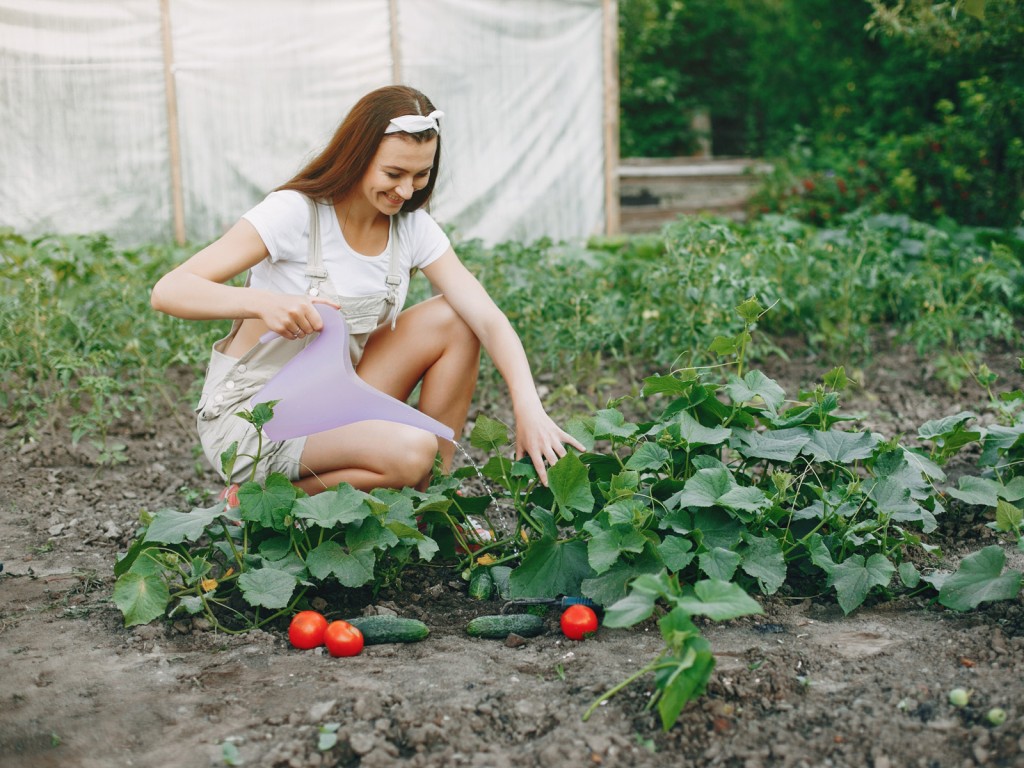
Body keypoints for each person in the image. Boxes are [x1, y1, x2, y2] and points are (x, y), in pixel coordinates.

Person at [151, 84, 582, 496]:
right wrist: (264, 303)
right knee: (415, 449)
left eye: (420, 175)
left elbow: (487, 318)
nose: (405, 190)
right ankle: (255, 505)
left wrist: (529, 407)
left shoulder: (411, 228)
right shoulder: (295, 214)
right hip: (255, 416)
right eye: (393, 173)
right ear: (356, 157)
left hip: (329, 398)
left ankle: (433, 506)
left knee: (456, 319)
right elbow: (170, 289)